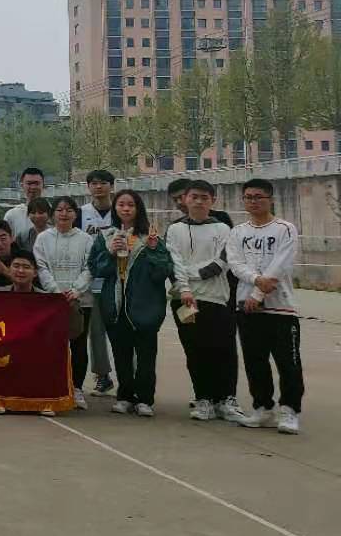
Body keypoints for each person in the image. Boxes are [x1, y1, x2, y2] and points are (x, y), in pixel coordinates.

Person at [167, 179, 246, 424]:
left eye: (204, 197)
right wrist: (184, 287)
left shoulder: (223, 229)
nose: (199, 202)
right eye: (194, 197)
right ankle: (204, 399)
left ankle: (226, 399)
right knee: (195, 350)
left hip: (217, 298)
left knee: (223, 350)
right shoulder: (175, 229)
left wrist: (193, 273)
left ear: (213, 200)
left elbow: (222, 262)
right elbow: (173, 261)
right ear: (185, 199)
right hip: (185, 300)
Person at [228, 179, 303, 434]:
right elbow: (235, 264)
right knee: (255, 361)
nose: (253, 201)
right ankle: (262, 407)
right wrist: (256, 281)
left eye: (258, 196)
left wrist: (259, 293)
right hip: (247, 308)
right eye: (248, 197)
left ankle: (290, 410)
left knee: (288, 362)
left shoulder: (285, 229)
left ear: (271, 199)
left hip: (280, 308)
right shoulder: (238, 232)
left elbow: (281, 265)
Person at [88, 190, 171, 417]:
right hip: (115, 305)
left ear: (138, 208)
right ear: (115, 208)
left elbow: (162, 272)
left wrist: (152, 250)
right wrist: (109, 252)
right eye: (121, 204)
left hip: (145, 305)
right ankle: (124, 396)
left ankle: (145, 399)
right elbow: (96, 269)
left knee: (146, 355)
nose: (125, 209)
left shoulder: (151, 237)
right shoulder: (106, 236)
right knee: (121, 353)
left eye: (131, 205)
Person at [34, 195, 93, 411]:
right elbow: (41, 267)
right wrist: (55, 291)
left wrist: (76, 290)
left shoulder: (86, 239)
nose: (64, 214)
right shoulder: (43, 238)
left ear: (76, 214)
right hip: (51, 300)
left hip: (80, 300)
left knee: (78, 346)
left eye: (69, 210)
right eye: (59, 210)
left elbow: (90, 267)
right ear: (53, 214)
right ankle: (53, 386)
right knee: (51, 346)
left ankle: (76, 389)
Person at [77, 169, 117, 394]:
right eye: (94, 183)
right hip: (92, 277)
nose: (98, 187)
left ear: (112, 185)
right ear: (88, 187)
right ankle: (102, 375)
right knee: (96, 329)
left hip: (117, 277)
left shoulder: (121, 210)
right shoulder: (81, 213)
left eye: (103, 183)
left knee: (122, 329)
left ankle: (130, 377)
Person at [4, 168, 46, 248]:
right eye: (29, 183)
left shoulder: (54, 213)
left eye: (36, 183)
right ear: (22, 185)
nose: (33, 187)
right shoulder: (12, 215)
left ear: (43, 185)